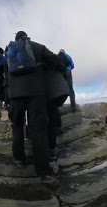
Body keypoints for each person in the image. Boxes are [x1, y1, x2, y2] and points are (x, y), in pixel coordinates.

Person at [8, 31, 67, 187]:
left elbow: (4, 75)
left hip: (15, 95)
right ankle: (43, 172)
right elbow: (54, 60)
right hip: (36, 93)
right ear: (27, 37)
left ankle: (19, 159)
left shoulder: (10, 52)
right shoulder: (38, 47)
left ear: (15, 40)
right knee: (38, 130)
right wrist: (62, 68)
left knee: (17, 126)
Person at [58, 49, 76, 113]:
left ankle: (60, 104)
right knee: (70, 89)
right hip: (68, 72)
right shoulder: (68, 56)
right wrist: (69, 68)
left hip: (61, 73)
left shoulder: (57, 57)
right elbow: (73, 66)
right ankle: (73, 106)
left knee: (61, 89)